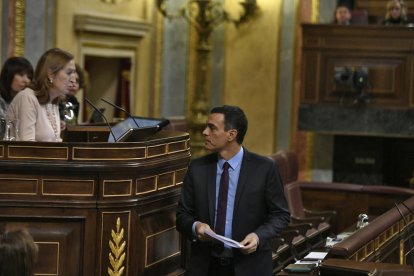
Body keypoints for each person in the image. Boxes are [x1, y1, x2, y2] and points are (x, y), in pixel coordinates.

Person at [176, 105, 290, 276]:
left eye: (212, 128)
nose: (205, 132)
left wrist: (258, 236)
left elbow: (281, 215)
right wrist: (196, 226)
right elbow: (182, 215)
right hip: (206, 267)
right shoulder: (197, 168)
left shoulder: (264, 168)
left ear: (232, 134)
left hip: (250, 267)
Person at [6, 48, 76, 142]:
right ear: (51, 74)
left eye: (74, 73)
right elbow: (25, 147)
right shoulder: (27, 98)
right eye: (69, 73)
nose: (73, 80)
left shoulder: (53, 100)